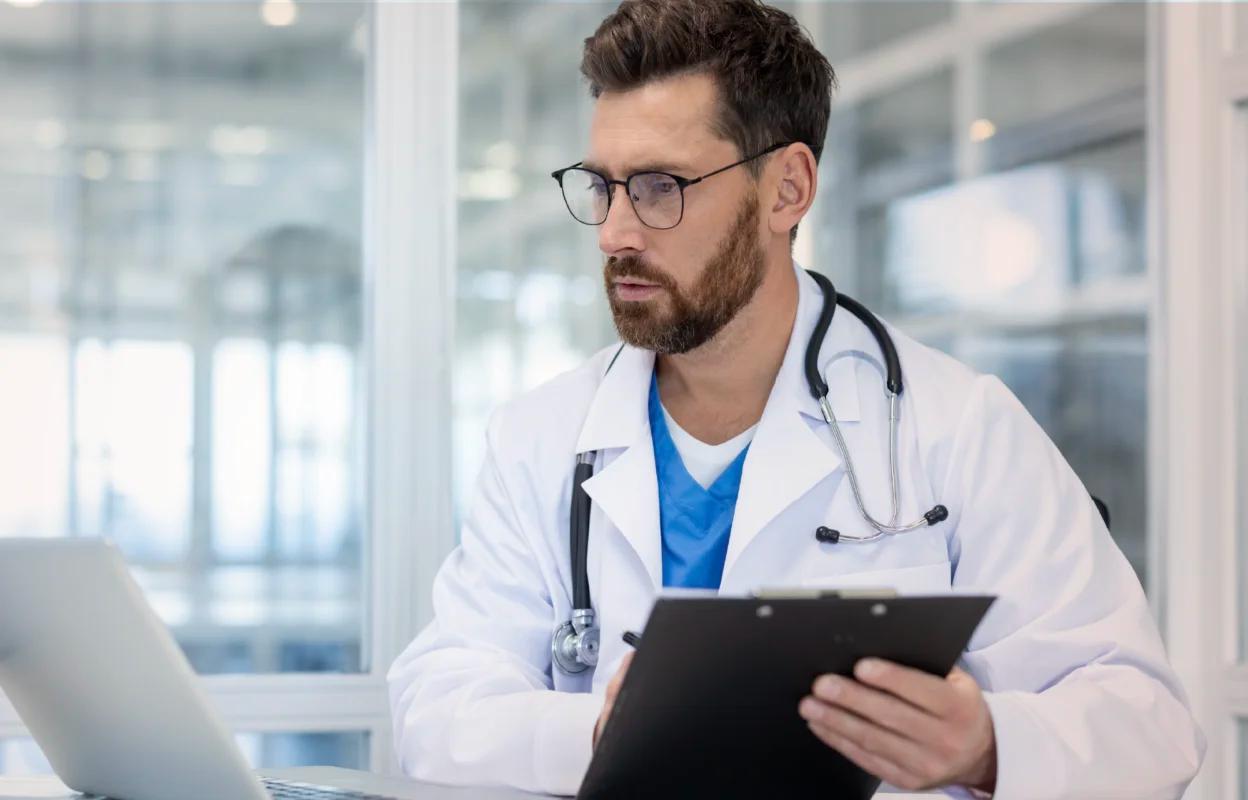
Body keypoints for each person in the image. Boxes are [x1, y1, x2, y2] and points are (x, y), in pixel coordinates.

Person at [389, 1, 1204, 796]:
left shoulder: (958, 428)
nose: (615, 232)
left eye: (660, 186)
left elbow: (1151, 726)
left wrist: (987, 747)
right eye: (603, 186)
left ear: (787, 190)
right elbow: (437, 707)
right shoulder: (541, 438)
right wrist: (599, 734)